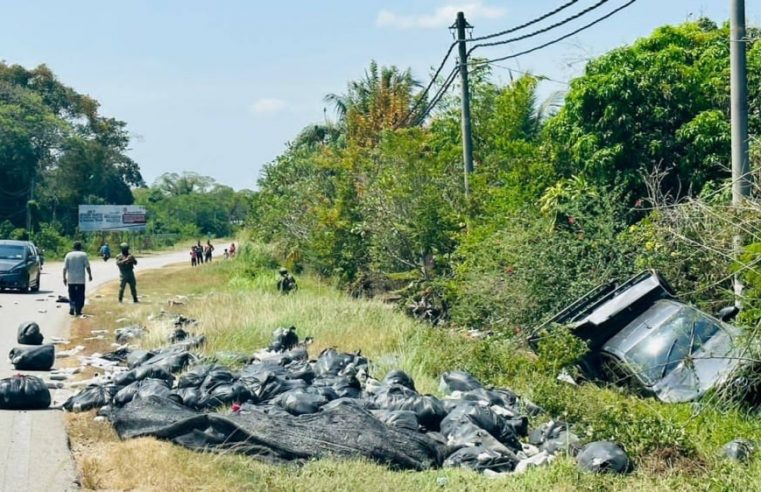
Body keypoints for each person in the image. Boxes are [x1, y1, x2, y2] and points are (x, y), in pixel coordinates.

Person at [63, 241, 92, 316]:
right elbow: (87, 266)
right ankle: (78, 310)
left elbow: (65, 268)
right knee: (80, 295)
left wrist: (64, 278)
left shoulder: (68, 255)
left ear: (73, 247)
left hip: (71, 279)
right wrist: (90, 275)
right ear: (80, 247)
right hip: (80, 279)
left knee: (72, 294)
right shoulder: (83, 255)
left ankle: (72, 307)